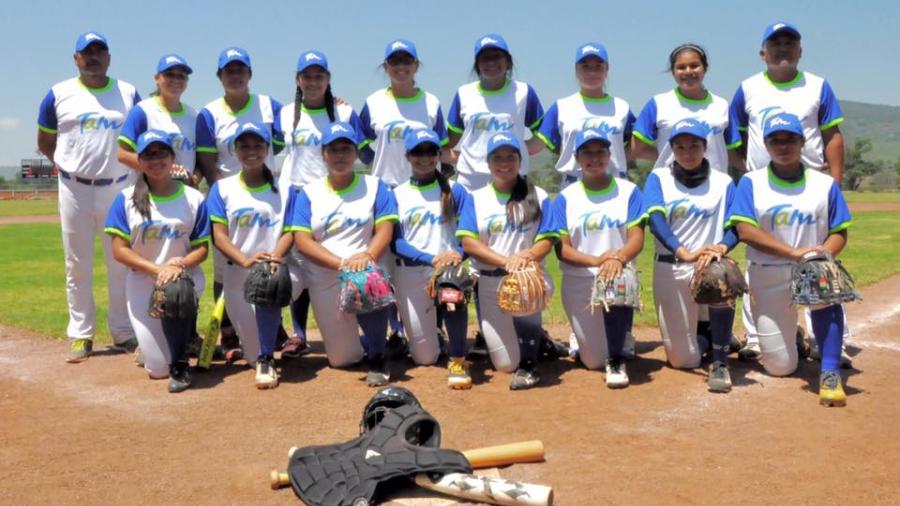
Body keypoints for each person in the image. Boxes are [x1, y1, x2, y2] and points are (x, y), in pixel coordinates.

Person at [727, 22, 849, 364]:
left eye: (790, 42)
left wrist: (834, 183)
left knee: (819, 260)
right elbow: (734, 139)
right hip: (763, 185)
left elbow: (832, 134)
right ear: (762, 52)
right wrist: (752, 172)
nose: (782, 47)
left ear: (800, 50)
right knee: (762, 261)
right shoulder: (747, 88)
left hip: (810, 183)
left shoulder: (817, 86)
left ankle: (829, 343)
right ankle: (758, 336)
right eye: (775, 42)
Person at [725, 112, 852, 406]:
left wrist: (821, 255)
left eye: (790, 139)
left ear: (803, 142)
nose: (783, 146)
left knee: (824, 289)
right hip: (767, 272)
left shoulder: (824, 184)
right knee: (780, 367)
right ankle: (793, 336)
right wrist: (795, 253)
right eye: (775, 140)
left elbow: (840, 231)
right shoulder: (751, 182)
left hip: (811, 267)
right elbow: (744, 230)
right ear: (766, 145)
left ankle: (830, 372)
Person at [37, 31, 140, 362]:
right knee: (77, 264)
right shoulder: (58, 94)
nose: (93, 57)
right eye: (87, 52)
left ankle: (123, 332)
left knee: (119, 263)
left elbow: (139, 139)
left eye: (100, 51)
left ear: (109, 57)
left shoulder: (128, 93)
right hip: (74, 188)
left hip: (118, 186)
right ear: (76, 59)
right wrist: (69, 168)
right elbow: (45, 142)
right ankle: (81, 334)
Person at [283, 122, 399, 387]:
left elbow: (385, 231)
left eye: (346, 148)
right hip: (327, 274)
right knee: (342, 359)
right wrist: (342, 264)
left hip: (365, 268)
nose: (340, 155)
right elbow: (302, 241)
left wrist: (367, 257)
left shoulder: (374, 185)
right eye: (333, 149)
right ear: (323, 154)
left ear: (356, 152)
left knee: (366, 280)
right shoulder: (310, 192)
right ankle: (367, 341)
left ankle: (378, 354)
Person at [196, 46, 285, 361]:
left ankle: (278, 330)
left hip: (267, 193)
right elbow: (207, 161)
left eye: (240, 69)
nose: (235, 75)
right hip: (229, 198)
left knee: (274, 262)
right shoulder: (209, 113)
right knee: (226, 271)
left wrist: (334, 103)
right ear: (220, 76)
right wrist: (223, 193)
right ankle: (229, 333)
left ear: (249, 74)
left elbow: (302, 125)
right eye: (229, 70)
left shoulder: (269, 106)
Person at [104, 130, 209, 392]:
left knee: (175, 289)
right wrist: (158, 269)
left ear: (172, 158)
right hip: (142, 279)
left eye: (161, 153)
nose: (155, 160)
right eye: (148, 155)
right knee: (158, 370)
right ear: (139, 161)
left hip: (185, 277)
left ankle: (182, 361)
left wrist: (179, 265)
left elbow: (202, 249)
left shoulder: (193, 198)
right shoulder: (126, 199)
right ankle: (161, 350)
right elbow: (119, 250)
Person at [277, 49, 366, 358]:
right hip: (298, 196)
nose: (313, 81)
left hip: (337, 196)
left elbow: (364, 152)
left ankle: (374, 330)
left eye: (320, 76)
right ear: (297, 80)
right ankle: (299, 333)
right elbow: (265, 147)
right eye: (307, 76)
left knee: (349, 260)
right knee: (299, 265)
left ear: (328, 80)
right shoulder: (285, 112)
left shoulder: (345, 113)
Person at [456, 133, 559, 390]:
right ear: (489, 164)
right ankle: (539, 341)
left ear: (520, 161)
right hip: (490, 282)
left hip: (527, 278)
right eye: (498, 157)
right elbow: (468, 243)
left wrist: (527, 256)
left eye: (511, 157)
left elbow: (548, 238)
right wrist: (506, 261)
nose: (505, 163)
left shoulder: (538, 194)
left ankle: (531, 362)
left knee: (521, 361)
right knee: (504, 365)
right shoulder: (476, 197)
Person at [643, 119, 739, 392]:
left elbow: (736, 226)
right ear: (671, 149)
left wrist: (721, 247)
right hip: (672, 267)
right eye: (680, 146)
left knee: (721, 273)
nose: (687, 152)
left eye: (694, 145)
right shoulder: (659, 177)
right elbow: (656, 219)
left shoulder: (723, 182)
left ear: (705, 147)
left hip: (709, 264)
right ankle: (708, 336)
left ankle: (720, 361)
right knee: (683, 359)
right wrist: (682, 251)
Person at [206, 122, 300, 389]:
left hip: (278, 267)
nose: (251, 151)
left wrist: (273, 258)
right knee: (250, 355)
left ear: (267, 149)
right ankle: (262, 349)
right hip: (237, 271)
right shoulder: (222, 189)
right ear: (235, 151)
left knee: (267, 281)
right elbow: (219, 235)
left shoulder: (285, 188)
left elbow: (291, 231)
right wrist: (244, 260)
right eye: (244, 145)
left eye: (258, 145)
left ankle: (268, 357)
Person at [554, 128, 645, 389]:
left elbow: (637, 238)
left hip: (617, 274)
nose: (594, 158)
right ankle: (592, 339)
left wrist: (617, 259)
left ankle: (617, 356)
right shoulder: (566, 198)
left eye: (600, 152)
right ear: (577, 158)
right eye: (587, 153)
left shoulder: (628, 191)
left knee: (609, 354)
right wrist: (598, 261)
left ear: (610, 154)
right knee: (593, 361)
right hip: (580, 278)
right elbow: (563, 250)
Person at [391, 129, 471, 388]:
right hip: (412, 271)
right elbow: (396, 242)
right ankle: (433, 333)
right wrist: (430, 259)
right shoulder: (397, 193)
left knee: (453, 283)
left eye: (430, 152)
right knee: (425, 358)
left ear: (439, 155)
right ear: (407, 155)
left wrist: (456, 255)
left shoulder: (456, 190)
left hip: (448, 269)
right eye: (417, 152)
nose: (424, 158)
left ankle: (458, 356)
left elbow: (470, 234)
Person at [446, 34, 545, 191]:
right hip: (471, 181)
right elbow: (448, 142)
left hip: (512, 177)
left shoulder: (524, 92)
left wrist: (523, 148)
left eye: (497, 56)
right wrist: (462, 158)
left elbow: (543, 134)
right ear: (477, 64)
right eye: (485, 58)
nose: (491, 62)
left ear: (508, 61)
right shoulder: (464, 94)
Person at [535, 42, 635, 187]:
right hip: (574, 185)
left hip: (615, 185)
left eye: (598, 66)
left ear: (607, 70)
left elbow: (635, 146)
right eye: (585, 66)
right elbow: (544, 144)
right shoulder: (562, 107)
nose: (592, 72)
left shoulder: (621, 107)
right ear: (576, 70)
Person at [631, 43, 736, 174]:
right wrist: (668, 154)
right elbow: (636, 149)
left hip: (714, 188)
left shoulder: (722, 105)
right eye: (681, 67)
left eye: (694, 66)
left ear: (705, 68)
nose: (688, 71)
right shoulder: (658, 103)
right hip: (670, 187)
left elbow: (731, 151)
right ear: (673, 72)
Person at [359, 39, 449, 187]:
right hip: (386, 190)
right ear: (386, 67)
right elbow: (359, 143)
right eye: (394, 61)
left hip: (423, 188)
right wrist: (375, 163)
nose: (401, 66)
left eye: (406, 60)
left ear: (416, 66)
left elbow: (441, 149)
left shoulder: (432, 103)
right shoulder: (373, 102)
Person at [118, 54, 198, 186]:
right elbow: (123, 154)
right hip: (149, 192)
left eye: (181, 76)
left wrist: (194, 177)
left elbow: (199, 160)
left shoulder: (194, 115)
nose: (176, 80)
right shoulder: (143, 111)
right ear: (157, 78)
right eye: (170, 74)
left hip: (185, 193)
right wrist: (162, 170)